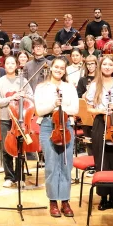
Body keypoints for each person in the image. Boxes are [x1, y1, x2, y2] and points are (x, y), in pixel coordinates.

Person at [86, 55, 113, 211]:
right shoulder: (94, 85)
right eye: (104, 64)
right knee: (102, 161)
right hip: (100, 122)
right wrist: (99, 110)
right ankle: (103, 197)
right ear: (100, 66)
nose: (107, 67)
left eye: (110, 64)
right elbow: (89, 108)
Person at [36, 57, 79, 217]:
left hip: (66, 125)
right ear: (51, 68)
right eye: (57, 67)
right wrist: (53, 105)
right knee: (52, 166)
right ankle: (53, 201)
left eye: (62, 68)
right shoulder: (41, 87)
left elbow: (75, 109)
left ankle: (65, 201)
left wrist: (63, 107)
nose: (59, 70)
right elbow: (39, 111)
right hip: (48, 125)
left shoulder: (69, 87)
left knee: (66, 165)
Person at [0, 56, 32, 188]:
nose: (10, 65)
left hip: (21, 120)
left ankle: (20, 177)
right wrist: (11, 98)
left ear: (16, 65)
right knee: (6, 148)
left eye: (12, 63)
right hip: (5, 118)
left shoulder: (23, 81)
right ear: (5, 66)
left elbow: (31, 97)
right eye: (8, 63)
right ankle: (9, 177)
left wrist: (24, 95)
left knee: (20, 149)